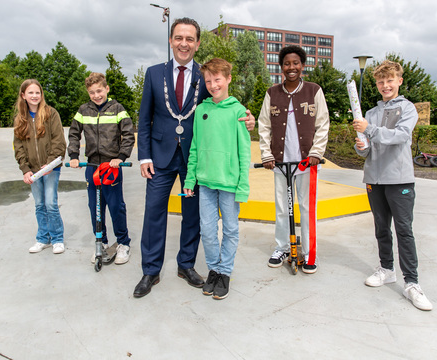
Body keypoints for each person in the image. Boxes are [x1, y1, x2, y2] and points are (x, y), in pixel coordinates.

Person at [135, 17, 255, 298]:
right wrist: (144, 157)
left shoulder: (205, 76)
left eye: (190, 39)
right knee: (154, 213)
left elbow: (222, 99)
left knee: (194, 217)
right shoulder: (154, 73)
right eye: (179, 37)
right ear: (170, 40)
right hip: (160, 157)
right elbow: (144, 118)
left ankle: (186, 264)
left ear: (197, 43)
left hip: (195, 159)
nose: (184, 43)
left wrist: (245, 117)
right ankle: (150, 271)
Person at [353, 60, 432, 311]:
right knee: (381, 229)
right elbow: (365, 149)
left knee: (404, 231)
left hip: (399, 180)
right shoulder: (371, 113)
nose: (385, 85)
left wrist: (370, 131)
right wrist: (360, 146)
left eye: (390, 80)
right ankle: (386, 269)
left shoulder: (408, 109)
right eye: (380, 82)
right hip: (374, 180)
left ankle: (412, 283)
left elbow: (400, 136)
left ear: (399, 80)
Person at [183, 58, 250, 300]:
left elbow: (244, 151)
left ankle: (225, 273)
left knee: (230, 230)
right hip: (206, 183)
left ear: (228, 79)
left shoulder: (239, 111)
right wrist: (190, 180)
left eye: (217, 79)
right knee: (208, 231)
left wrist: (243, 187)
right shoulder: (201, 110)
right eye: (208, 81)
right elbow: (195, 148)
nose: (213, 85)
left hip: (230, 184)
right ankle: (214, 269)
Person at [258, 45, 329, 274]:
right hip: (280, 163)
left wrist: (316, 152)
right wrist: (267, 154)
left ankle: (308, 252)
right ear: (281, 66)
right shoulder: (272, 93)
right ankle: (282, 247)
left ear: (302, 65)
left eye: (296, 63)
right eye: (287, 63)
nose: (291, 68)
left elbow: (322, 124)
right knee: (281, 207)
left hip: (306, 163)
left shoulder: (313, 90)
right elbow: (264, 125)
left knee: (307, 208)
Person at [68, 72, 135, 265]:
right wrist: (73, 156)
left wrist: (120, 156)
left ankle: (123, 243)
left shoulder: (117, 109)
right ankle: (102, 242)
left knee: (116, 206)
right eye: (92, 92)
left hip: (111, 166)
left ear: (107, 89)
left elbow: (128, 134)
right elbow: (74, 134)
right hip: (91, 165)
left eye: (99, 91)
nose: (96, 95)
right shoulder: (83, 110)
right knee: (95, 207)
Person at [13, 79, 67, 254]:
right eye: (30, 93)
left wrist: (51, 162)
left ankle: (57, 238)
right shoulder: (20, 119)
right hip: (33, 170)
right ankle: (43, 238)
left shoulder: (51, 114)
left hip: (51, 167)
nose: (35, 96)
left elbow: (59, 141)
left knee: (51, 203)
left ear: (41, 94)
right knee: (39, 204)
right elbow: (18, 146)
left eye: (37, 92)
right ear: (23, 95)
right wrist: (25, 169)